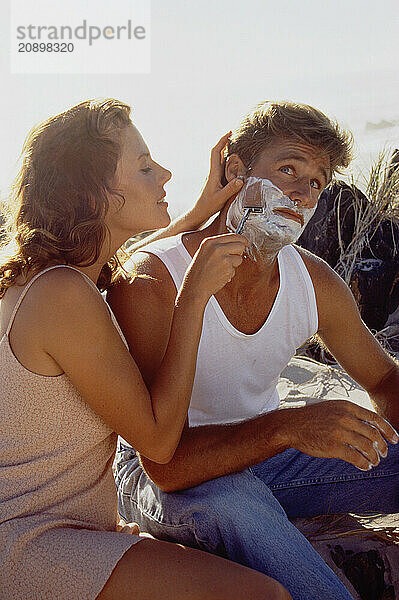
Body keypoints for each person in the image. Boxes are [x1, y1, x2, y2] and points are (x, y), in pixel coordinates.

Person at [0, 99, 292, 600]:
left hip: (52, 525)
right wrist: (193, 298)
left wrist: (197, 216)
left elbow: (122, 260)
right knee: (263, 596)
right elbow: (157, 442)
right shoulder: (64, 295)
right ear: (92, 195)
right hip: (32, 541)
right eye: (144, 167)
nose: (166, 173)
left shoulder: (47, 278)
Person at [108, 101, 399, 600]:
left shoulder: (314, 281)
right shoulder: (152, 278)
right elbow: (167, 463)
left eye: (317, 181)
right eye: (288, 169)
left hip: (267, 459)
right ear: (237, 171)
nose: (301, 193)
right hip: (163, 479)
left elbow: (384, 380)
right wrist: (292, 425)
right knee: (235, 503)